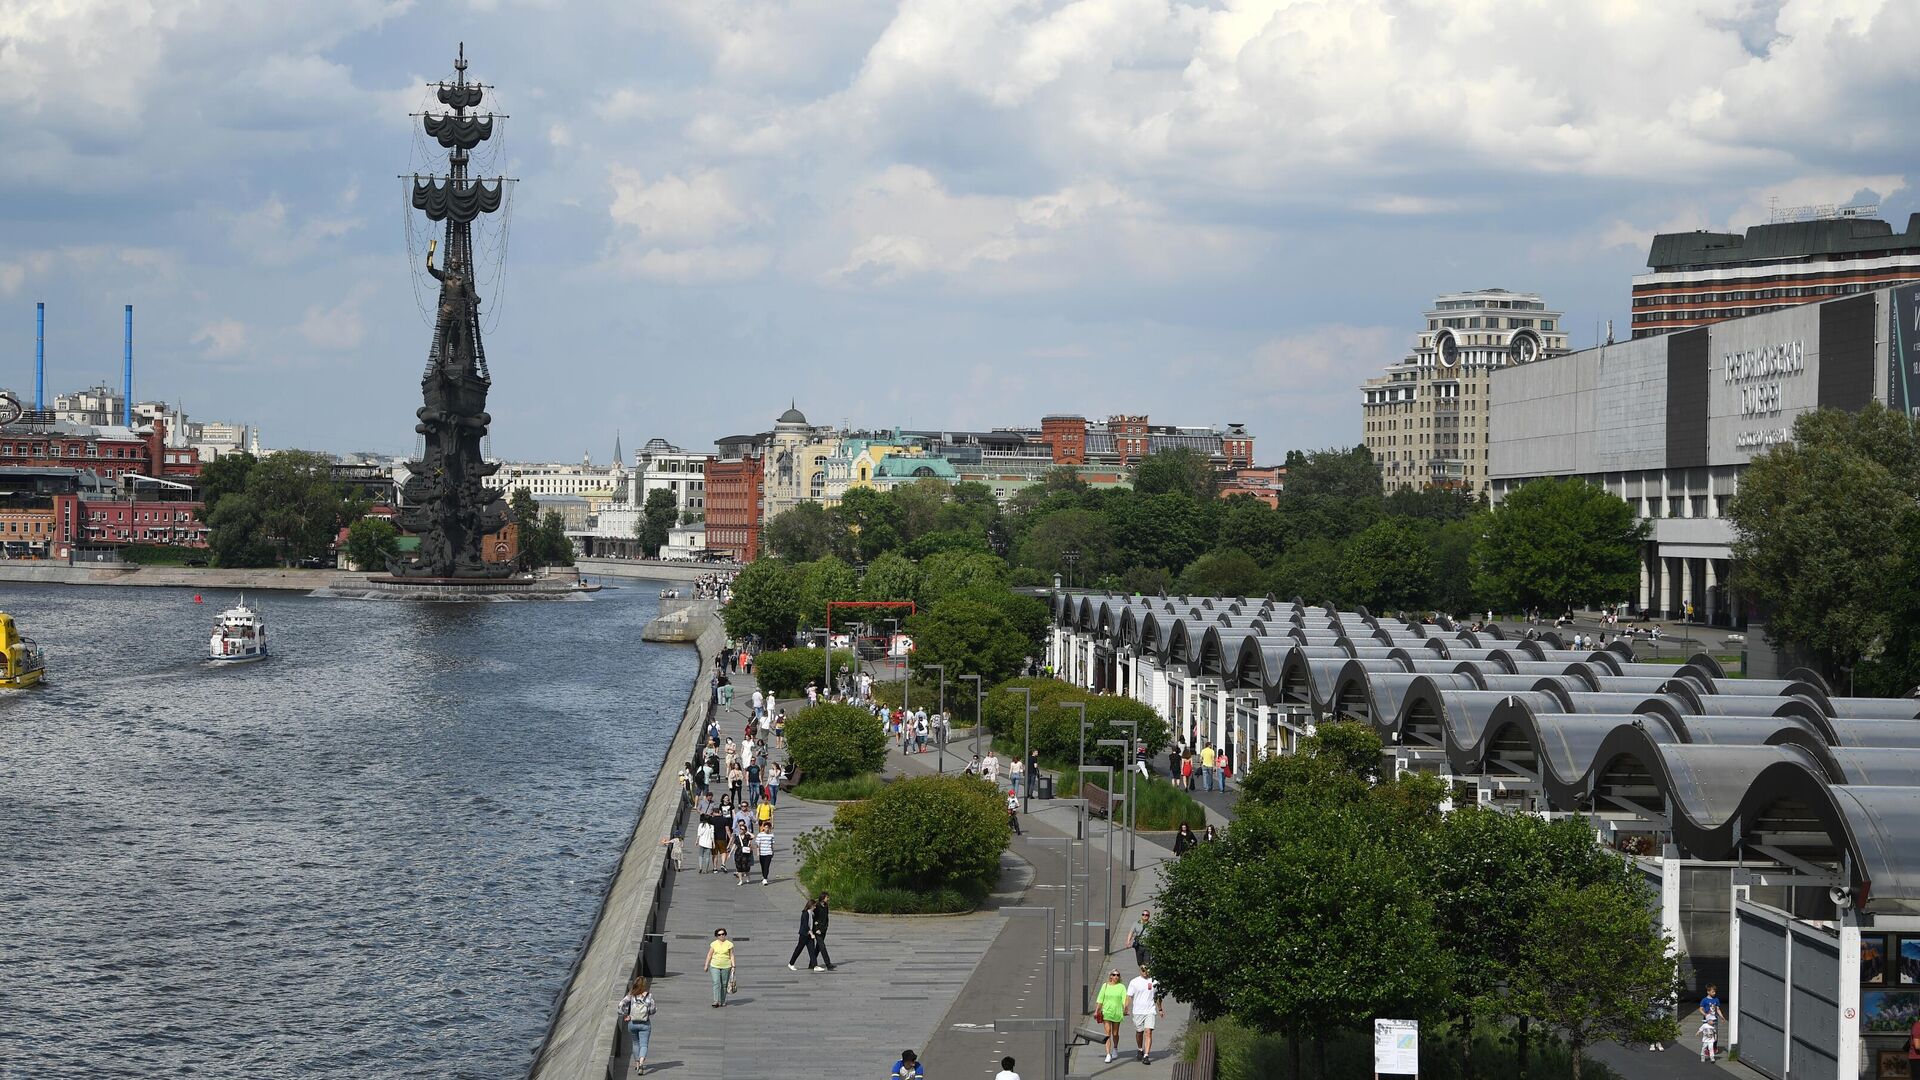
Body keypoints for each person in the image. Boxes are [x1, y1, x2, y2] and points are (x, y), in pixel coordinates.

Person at [618, 975, 657, 1075]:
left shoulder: (631, 995)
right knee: (644, 1044)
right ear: (645, 985)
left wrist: (626, 1014)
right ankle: (641, 1062)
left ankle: (636, 1063)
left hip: (632, 1023)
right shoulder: (649, 996)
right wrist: (647, 1012)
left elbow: (621, 1004)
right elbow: (653, 1010)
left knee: (635, 1043)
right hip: (645, 1024)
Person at [1126, 965, 1165, 1064]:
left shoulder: (1155, 982)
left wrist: (1160, 1009)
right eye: (1143, 970)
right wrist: (1126, 1008)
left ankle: (1146, 1055)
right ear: (1140, 970)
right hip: (1138, 1011)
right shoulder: (1134, 982)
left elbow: (1158, 997)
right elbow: (1129, 996)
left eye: (1147, 970)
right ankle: (1140, 1049)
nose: (1145, 972)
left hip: (1150, 1010)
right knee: (1139, 1032)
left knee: (1148, 1031)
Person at [1096, 968, 1128, 1062]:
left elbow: (1124, 999)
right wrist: (1097, 1010)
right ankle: (1108, 1054)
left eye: (1118, 975)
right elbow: (1100, 999)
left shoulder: (1121, 987)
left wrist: (1125, 1008)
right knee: (1107, 1033)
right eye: (1114, 975)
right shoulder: (1105, 986)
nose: (1116, 976)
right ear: (1110, 976)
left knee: (1115, 1033)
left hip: (1117, 1012)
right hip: (1106, 1012)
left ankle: (1115, 1048)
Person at [704, 928, 735, 1007]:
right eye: (719, 935)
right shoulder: (713, 944)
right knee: (716, 982)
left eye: (723, 934)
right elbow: (709, 955)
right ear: (716, 936)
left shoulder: (729, 944)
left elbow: (731, 955)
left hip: (726, 966)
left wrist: (733, 966)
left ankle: (723, 1000)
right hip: (715, 966)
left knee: (724, 984)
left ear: (725, 934)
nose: (721, 936)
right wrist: (706, 965)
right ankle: (716, 1001)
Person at [789, 897, 820, 970]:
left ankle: (815, 966)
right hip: (804, 935)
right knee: (799, 949)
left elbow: (812, 924)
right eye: (814, 906)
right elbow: (805, 925)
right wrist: (811, 934)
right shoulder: (805, 913)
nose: (815, 907)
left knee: (812, 950)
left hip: (809, 935)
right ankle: (791, 964)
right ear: (811, 906)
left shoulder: (811, 913)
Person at [812, 892, 836, 969]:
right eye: (827, 897)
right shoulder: (817, 906)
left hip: (824, 929)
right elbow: (814, 918)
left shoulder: (826, 906)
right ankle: (828, 964)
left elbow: (826, 917)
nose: (828, 899)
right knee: (822, 947)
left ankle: (811, 963)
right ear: (823, 898)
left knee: (818, 947)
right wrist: (816, 929)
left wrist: (826, 926)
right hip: (818, 930)